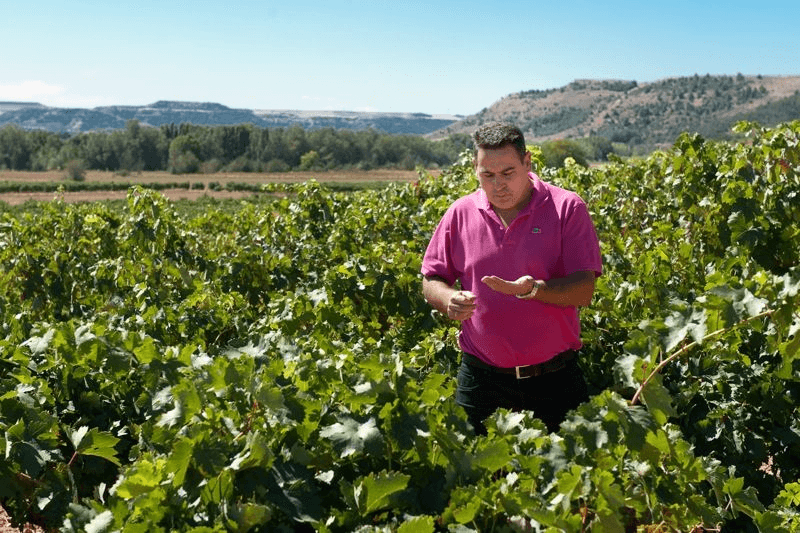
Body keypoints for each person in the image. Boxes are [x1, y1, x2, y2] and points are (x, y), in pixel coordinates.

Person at [420, 122, 602, 434]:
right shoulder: (460, 213)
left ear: (527, 163)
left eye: (508, 173)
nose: (498, 185)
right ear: (475, 169)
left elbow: (584, 290)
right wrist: (448, 299)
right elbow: (431, 280)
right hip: (481, 381)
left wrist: (533, 290)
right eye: (487, 175)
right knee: (473, 475)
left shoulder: (566, 207)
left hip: (554, 382)